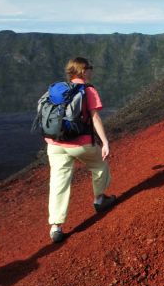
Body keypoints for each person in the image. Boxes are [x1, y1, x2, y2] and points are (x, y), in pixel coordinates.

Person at [46, 57, 115, 243]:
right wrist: (105, 142)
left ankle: (56, 226)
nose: (92, 70)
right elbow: (95, 118)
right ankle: (99, 199)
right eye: (90, 68)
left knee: (58, 183)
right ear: (83, 71)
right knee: (100, 165)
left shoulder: (57, 90)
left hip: (54, 144)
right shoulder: (88, 90)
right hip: (80, 144)